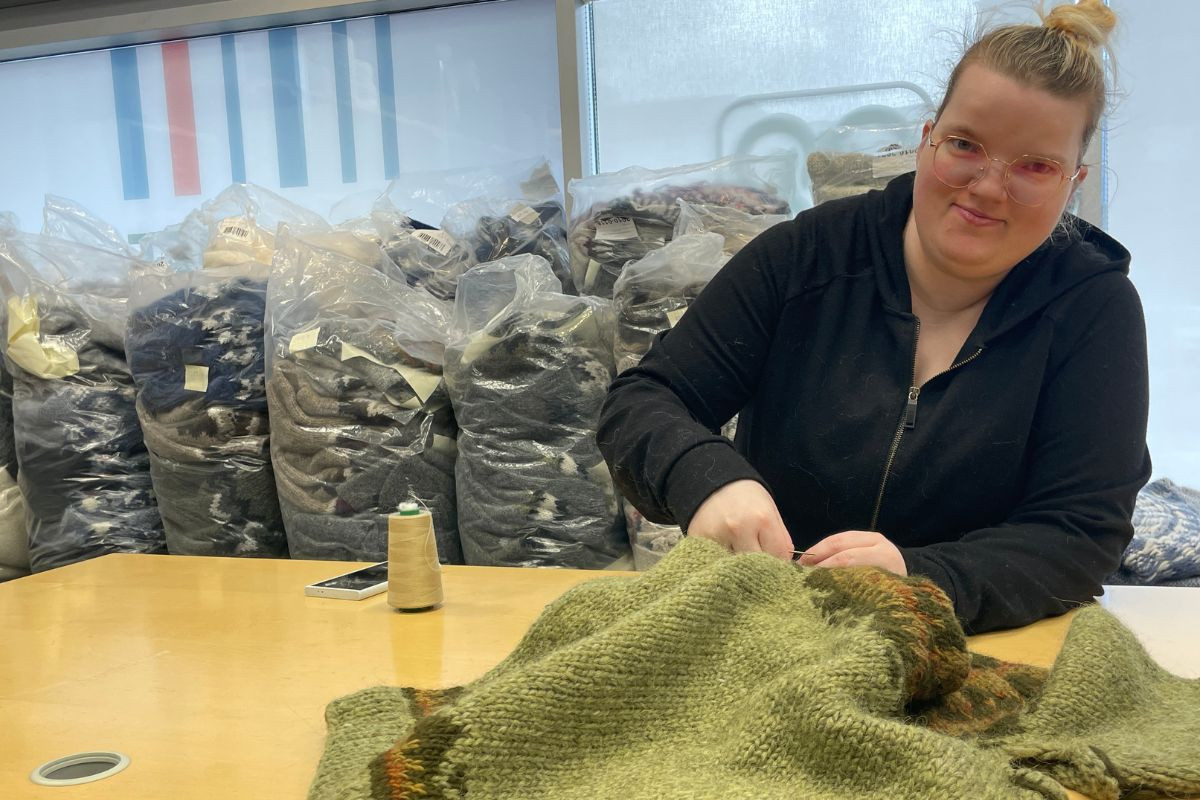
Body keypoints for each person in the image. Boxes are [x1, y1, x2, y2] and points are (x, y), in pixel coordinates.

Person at [597, 0, 1150, 634]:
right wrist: (706, 478)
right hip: (770, 629)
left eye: (1035, 166)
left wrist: (920, 578)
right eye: (966, 145)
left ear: (1072, 183)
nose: (989, 187)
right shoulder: (807, 256)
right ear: (926, 140)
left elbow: (1079, 535)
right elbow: (642, 401)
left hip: (965, 645)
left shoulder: (1093, 309)